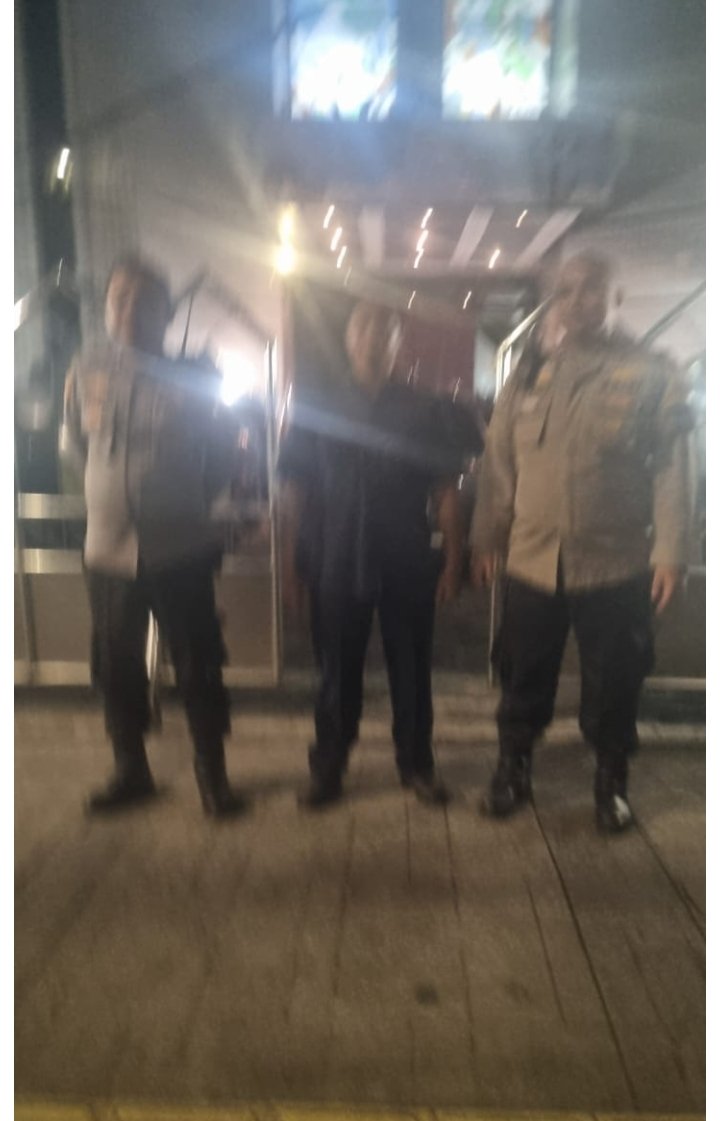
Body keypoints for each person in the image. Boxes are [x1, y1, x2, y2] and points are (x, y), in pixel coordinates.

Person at [471, 251, 694, 833]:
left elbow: (674, 466)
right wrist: (487, 535)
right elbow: (499, 460)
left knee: (616, 679)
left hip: (614, 562)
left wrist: (671, 551)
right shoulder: (529, 371)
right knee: (522, 673)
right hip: (532, 559)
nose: (577, 301)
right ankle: (513, 770)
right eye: (566, 291)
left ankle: (610, 783)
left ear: (616, 298)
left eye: (592, 289)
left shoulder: (652, 372)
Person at [63, 256, 247, 818]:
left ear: (166, 313)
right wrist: (110, 496)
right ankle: (131, 769)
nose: (129, 310)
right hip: (107, 548)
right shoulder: (86, 369)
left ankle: (212, 775)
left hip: (180, 547)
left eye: (144, 301)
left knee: (197, 663)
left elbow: (222, 456)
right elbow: (76, 446)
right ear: (106, 307)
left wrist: (181, 500)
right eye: (119, 298)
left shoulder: (195, 376)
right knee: (115, 663)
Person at [279, 300, 464, 809]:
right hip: (334, 559)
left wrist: (453, 560)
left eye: (386, 331)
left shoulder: (424, 411)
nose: (374, 339)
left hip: (405, 560)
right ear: (348, 339)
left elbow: (446, 490)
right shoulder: (316, 406)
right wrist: (288, 565)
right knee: (335, 673)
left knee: (412, 670)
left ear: (398, 344)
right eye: (363, 328)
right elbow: (293, 491)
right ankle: (329, 766)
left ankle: (417, 764)